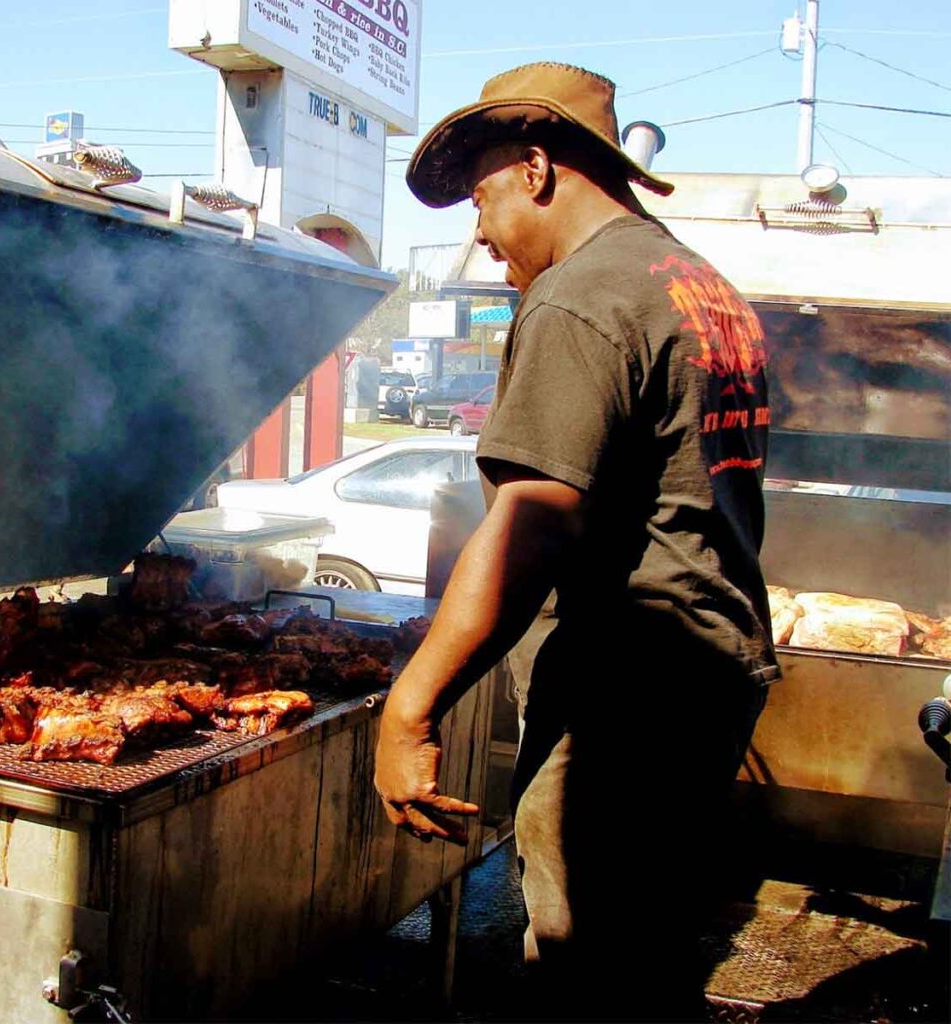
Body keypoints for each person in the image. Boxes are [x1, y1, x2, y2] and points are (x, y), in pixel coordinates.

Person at [373, 62, 779, 1021]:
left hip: (626, 700)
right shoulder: (694, 284)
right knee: (645, 953)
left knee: (588, 973)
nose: (478, 230)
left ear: (539, 170)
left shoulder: (577, 300)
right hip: (705, 676)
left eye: (482, 197)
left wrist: (411, 709)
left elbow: (534, 519)